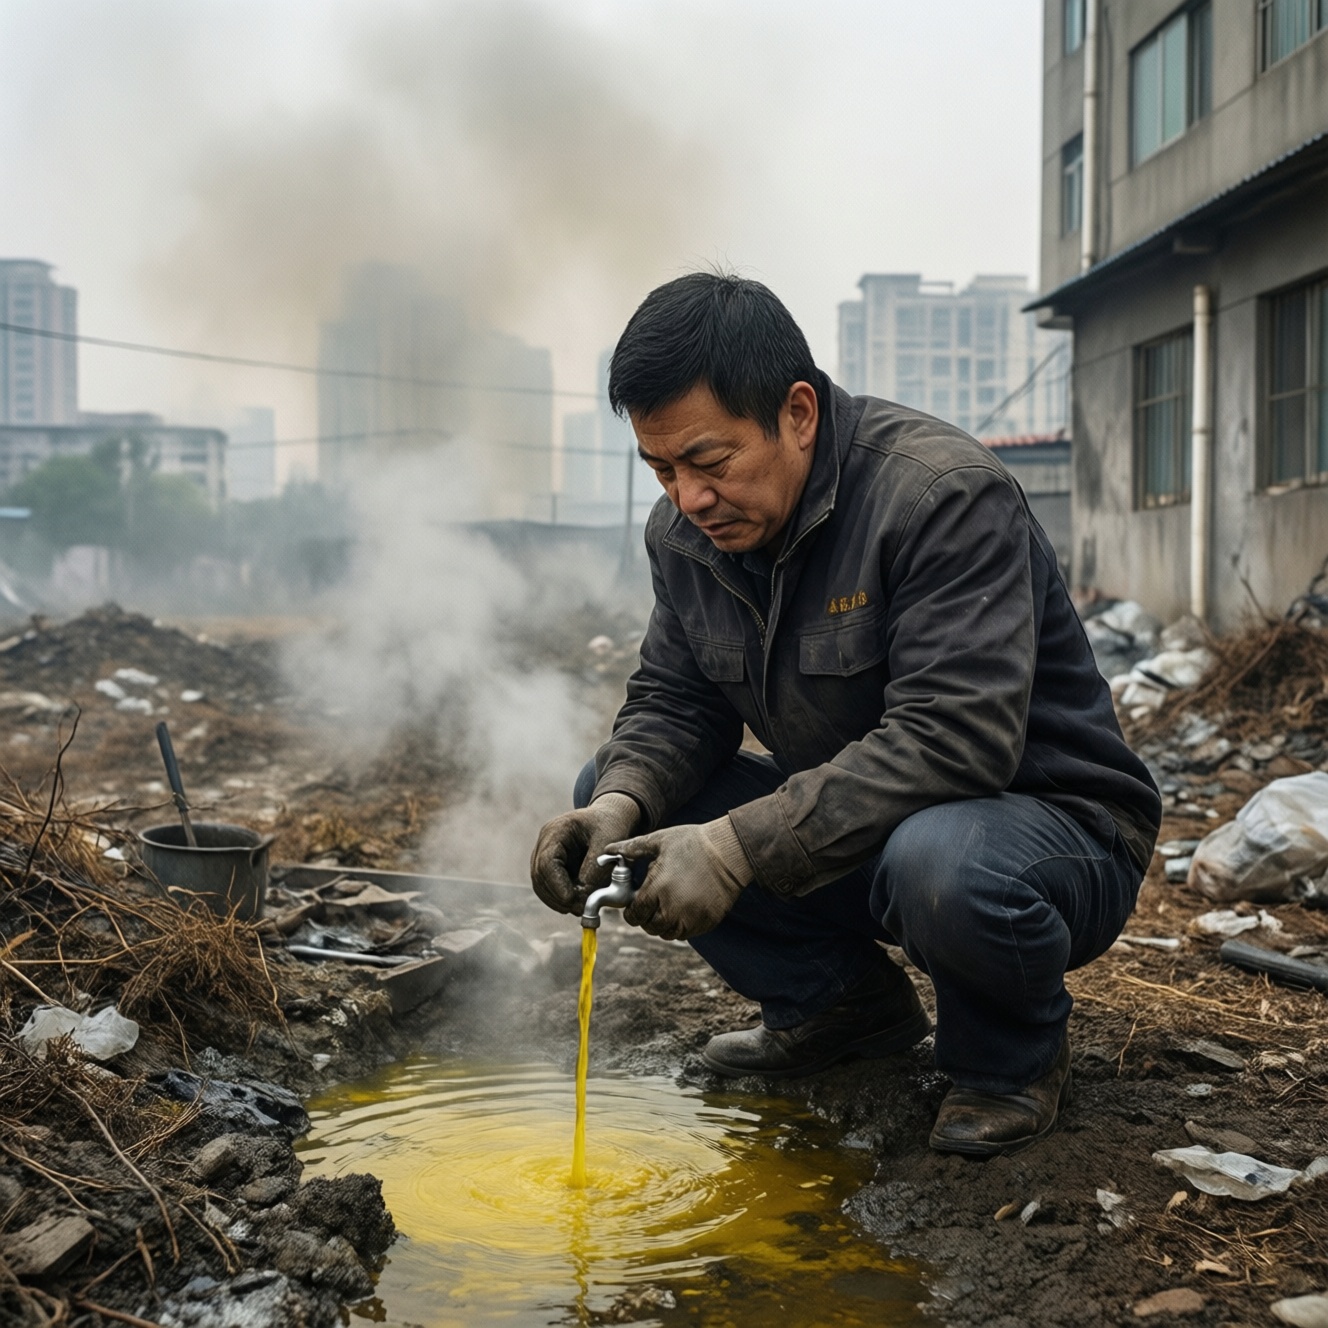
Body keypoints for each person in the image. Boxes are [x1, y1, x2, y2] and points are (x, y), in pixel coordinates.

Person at [530, 272, 1160, 1156]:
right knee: (620, 785)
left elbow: (958, 739)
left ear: (797, 414)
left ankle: (1006, 1062)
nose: (687, 499)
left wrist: (736, 844)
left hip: (1046, 839)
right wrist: (617, 807)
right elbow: (676, 701)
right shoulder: (685, 539)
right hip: (869, 835)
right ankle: (840, 1009)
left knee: (941, 855)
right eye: (661, 470)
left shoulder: (939, 496)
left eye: (710, 464)